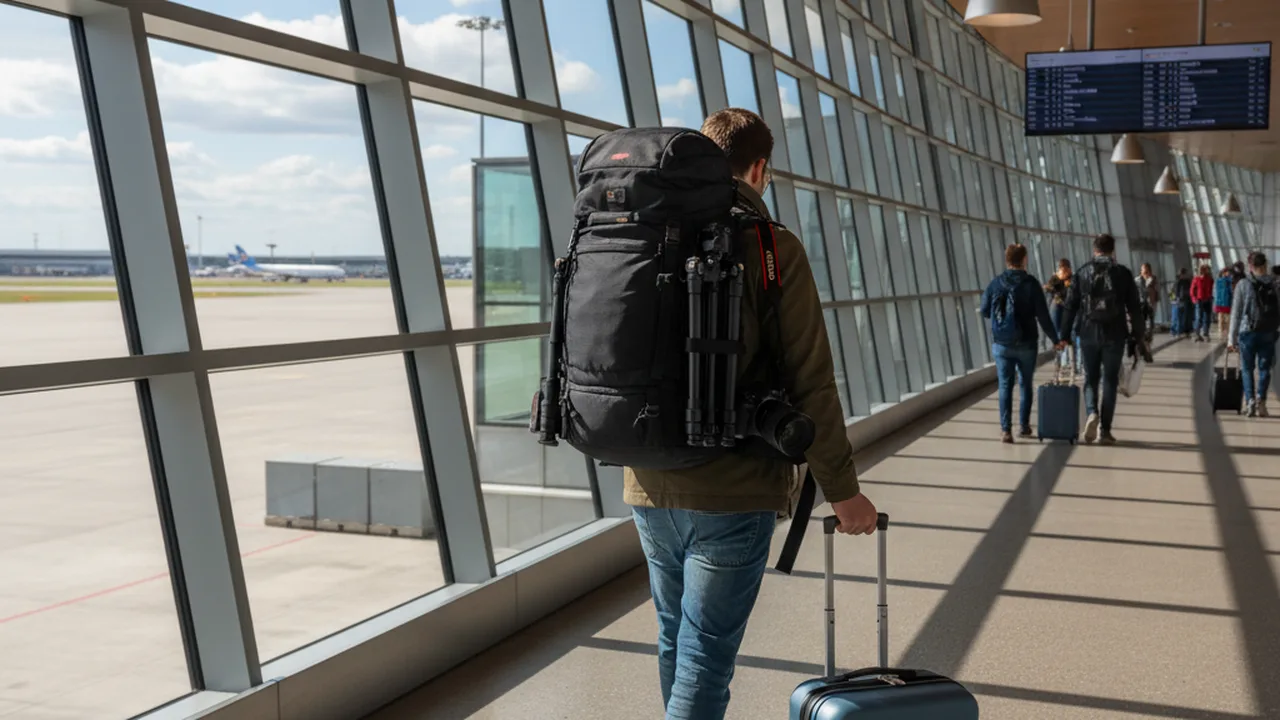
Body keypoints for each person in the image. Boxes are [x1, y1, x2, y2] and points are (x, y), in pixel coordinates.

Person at [626, 108, 878, 720]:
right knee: (705, 657)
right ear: (759, 168)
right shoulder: (770, 245)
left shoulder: (647, 228)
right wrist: (845, 492)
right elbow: (812, 380)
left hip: (647, 478)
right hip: (734, 489)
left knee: (674, 639)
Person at [1061, 234, 1149, 445]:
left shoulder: (1082, 273)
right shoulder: (1123, 274)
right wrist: (1140, 337)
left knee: (1090, 378)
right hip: (1115, 334)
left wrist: (1063, 335)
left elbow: (1070, 306)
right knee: (1110, 381)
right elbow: (1135, 309)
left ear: (1094, 250)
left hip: (1088, 333)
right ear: (1112, 251)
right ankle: (1105, 430)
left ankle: (1092, 412)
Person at [984, 244, 1064, 443]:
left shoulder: (995, 283)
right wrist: (1055, 340)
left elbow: (986, 310)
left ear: (1007, 260)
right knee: (1025, 383)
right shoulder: (1031, 284)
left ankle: (1005, 430)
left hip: (1002, 343)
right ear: (1024, 259)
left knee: (1005, 385)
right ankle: (1024, 426)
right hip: (1027, 342)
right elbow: (1043, 317)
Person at [1228, 251, 1280, 418]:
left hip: (1247, 332)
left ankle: (1250, 401)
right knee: (1265, 368)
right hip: (1268, 332)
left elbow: (1236, 313)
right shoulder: (1275, 284)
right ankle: (1261, 402)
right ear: (1265, 265)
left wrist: (1231, 338)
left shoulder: (1243, 284)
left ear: (1250, 266)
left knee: (1247, 368)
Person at [1043, 259, 1078, 372]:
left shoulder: (1073, 279)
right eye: (1061, 269)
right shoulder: (1054, 279)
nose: (1064, 272)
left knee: (1072, 333)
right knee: (1059, 334)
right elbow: (1049, 293)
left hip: (1069, 308)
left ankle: (1073, 362)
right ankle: (1063, 361)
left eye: (1066, 269)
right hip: (1058, 308)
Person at [1190, 264, 1214, 342]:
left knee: (1207, 318)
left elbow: (1211, 289)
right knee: (1198, 317)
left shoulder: (1210, 279)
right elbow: (1192, 290)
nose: (1205, 271)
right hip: (1199, 300)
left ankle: (1206, 334)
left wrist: (1210, 297)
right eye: (1204, 269)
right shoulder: (1196, 279)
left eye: (1206, 269)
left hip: (1207, 300)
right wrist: (1194, 299)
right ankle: (1197, 334)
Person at [1137, 263, 1160, 341]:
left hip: (1151, 303)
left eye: (1146, 270)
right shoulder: (1138, 280)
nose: (1143, 272)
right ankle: (1143, 336)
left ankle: (1149, 336)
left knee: (1150, 320)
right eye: (1142, 270)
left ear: (1149, 271)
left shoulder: (1153, 279)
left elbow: (1156, 289)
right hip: (1141, 303)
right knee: (1142, 320)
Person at [1171, 268, 1193, 338]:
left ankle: (1180, 330)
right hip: (1180, 301)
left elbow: (1172, 292)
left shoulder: (1183, 281)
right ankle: (1178, 330)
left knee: (1181, 317)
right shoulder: (1180, 281)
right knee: (1179, 317)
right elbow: (1174, 292)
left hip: (1182, 300)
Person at [1214, 268, 1234, 340]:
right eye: (1227, 272)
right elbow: (1231, 291)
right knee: (1226, 318)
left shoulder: (1218, 281)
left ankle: (1222, 332)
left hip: (1220, 302)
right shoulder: (1229, 281)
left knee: (1222, 318)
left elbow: (1215, 291)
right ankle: (1226, 332)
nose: (1229, 274)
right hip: (1225, 301)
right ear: (1224, 272)